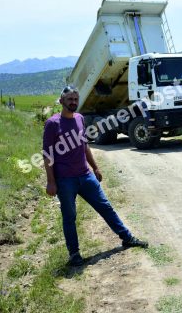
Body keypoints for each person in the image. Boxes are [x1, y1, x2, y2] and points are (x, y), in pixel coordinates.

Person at [43, 85, 148, 266]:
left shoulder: (80, 119)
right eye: (69, 99)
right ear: (61, 101)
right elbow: (47, 154)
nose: (73, 102)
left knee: (106, 207)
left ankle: (127, 238)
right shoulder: (52, 124)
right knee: (69, 216)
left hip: (85, 175)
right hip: (65, 180)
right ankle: (74, 254)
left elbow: (85, 146)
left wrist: (96, 167)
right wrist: (51, 181)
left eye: (75, 99)